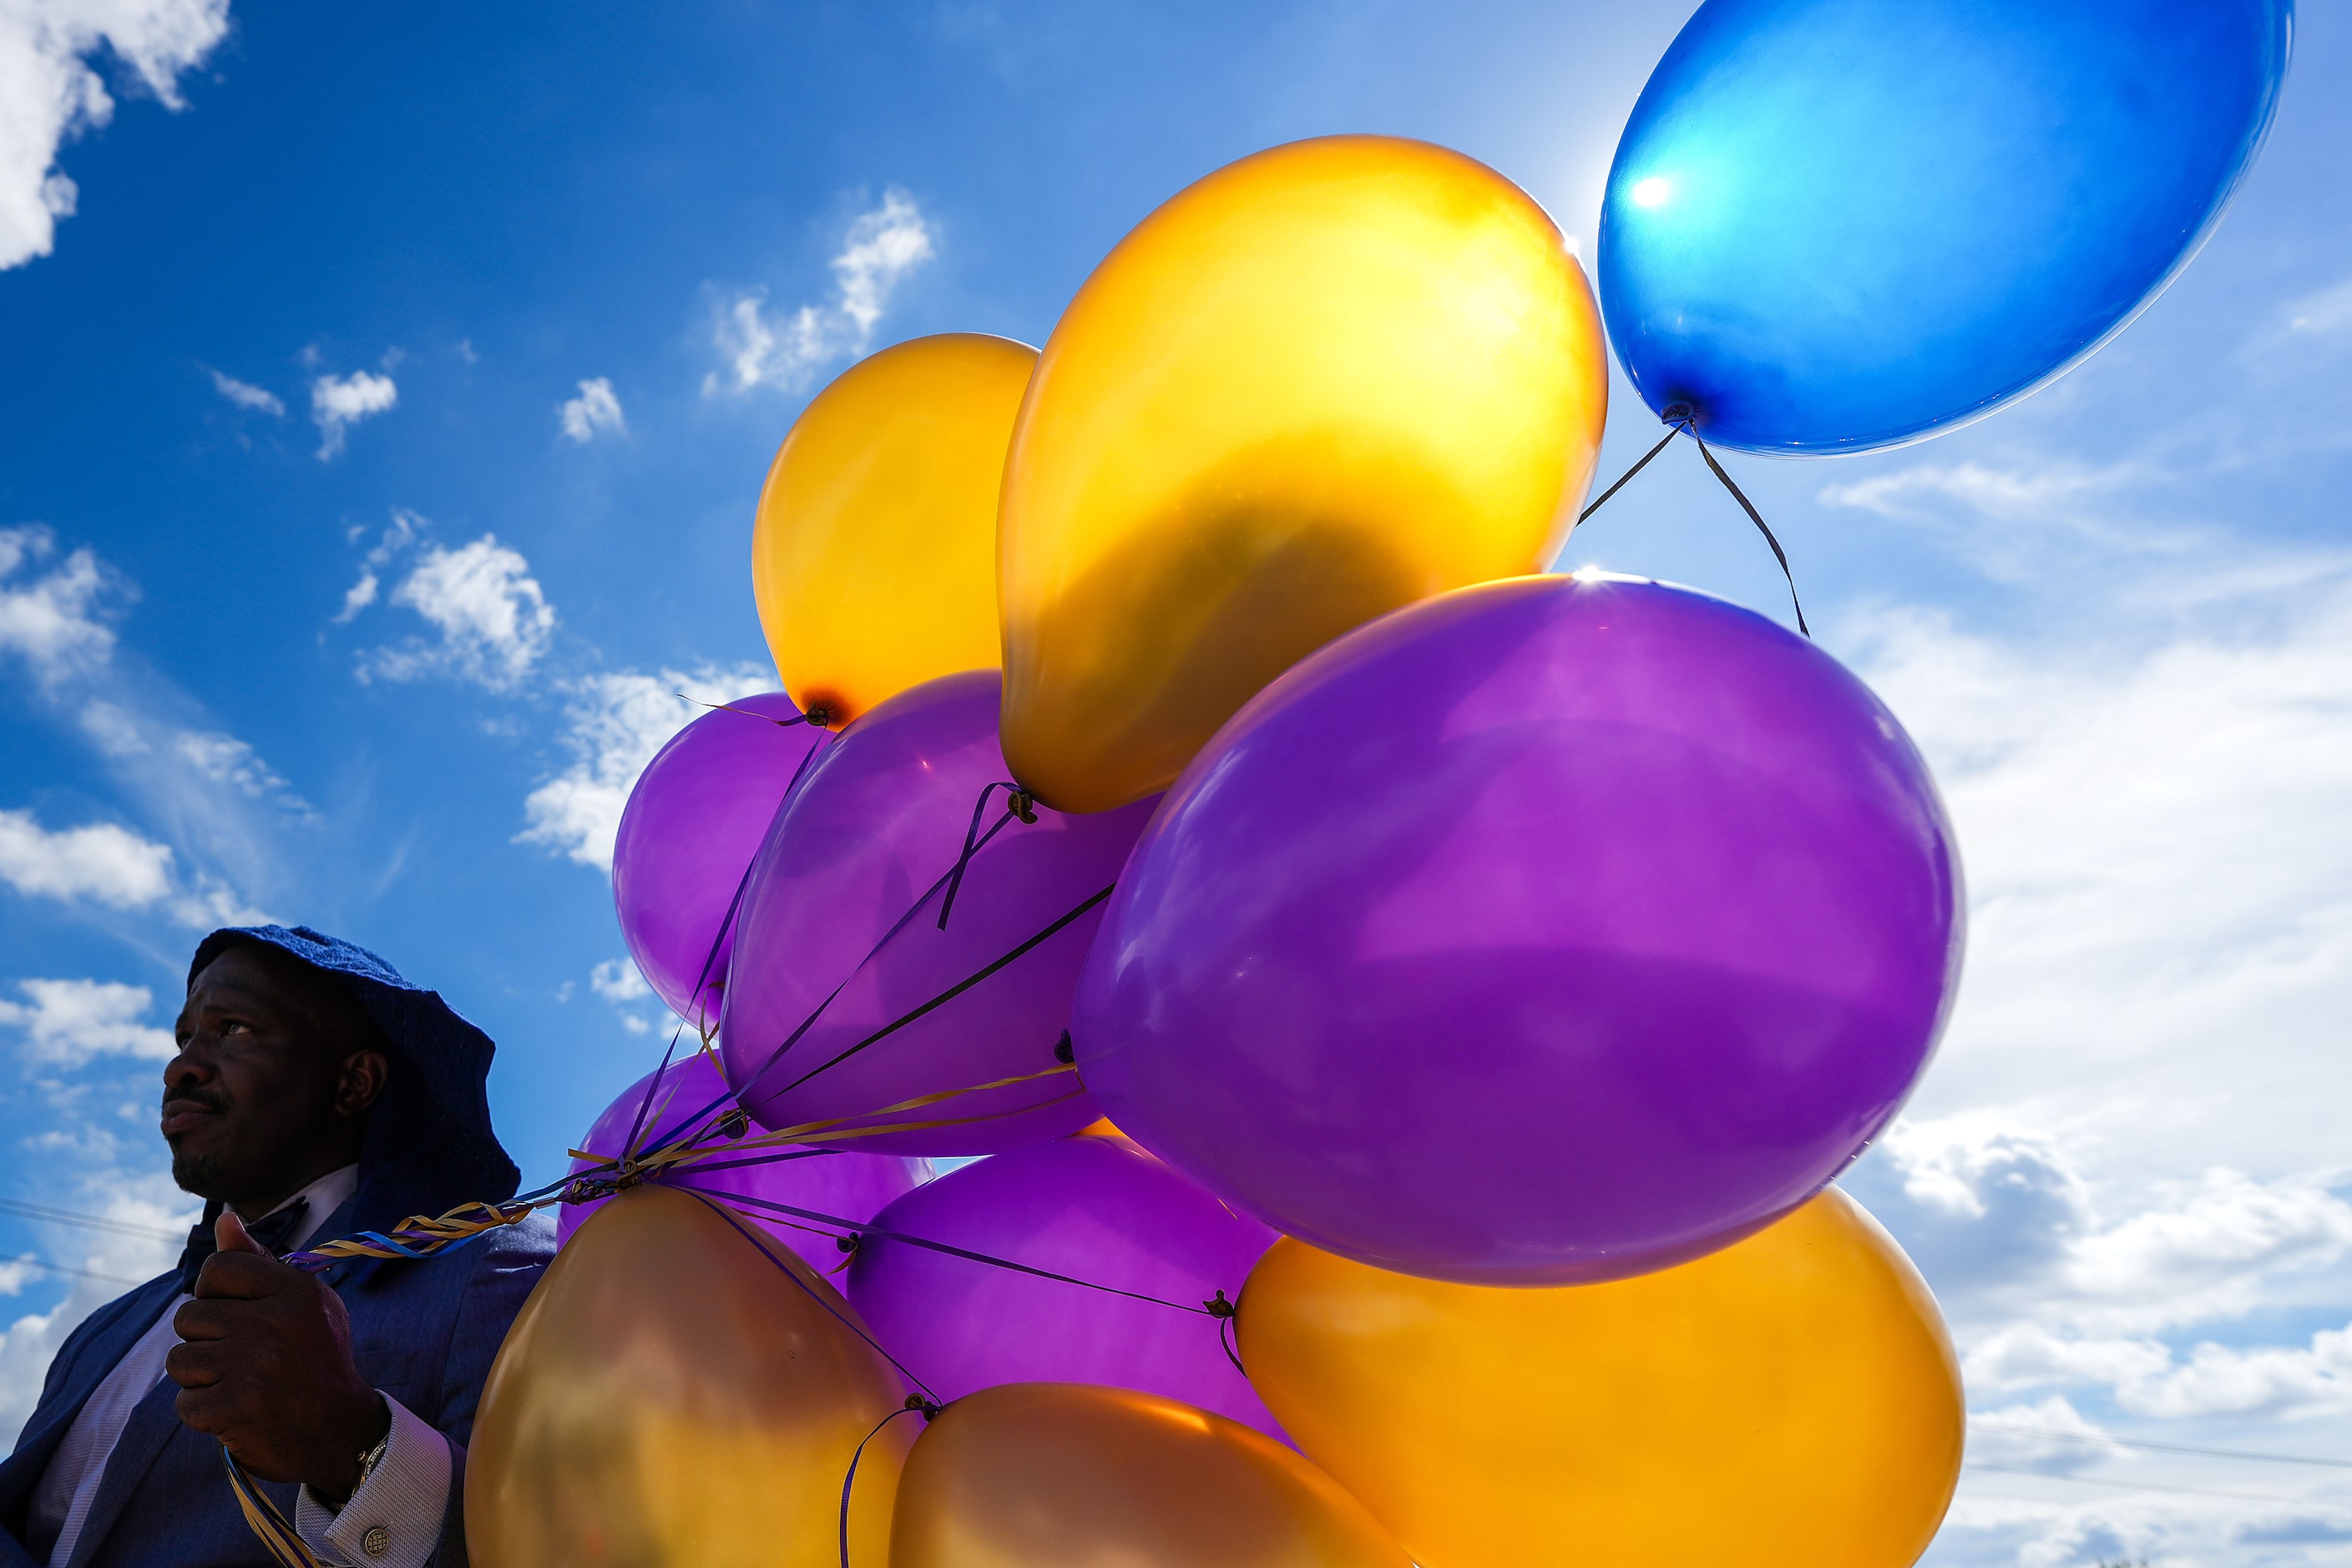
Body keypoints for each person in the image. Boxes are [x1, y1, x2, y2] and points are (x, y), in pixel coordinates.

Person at [0, 925, 554, 1568]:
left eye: (234, 1028)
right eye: (185, 1037)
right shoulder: (101, 1331)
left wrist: (356, 1446)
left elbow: (556, 1544)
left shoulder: (495, 1264)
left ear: (355, 1082)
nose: (180, 1066)